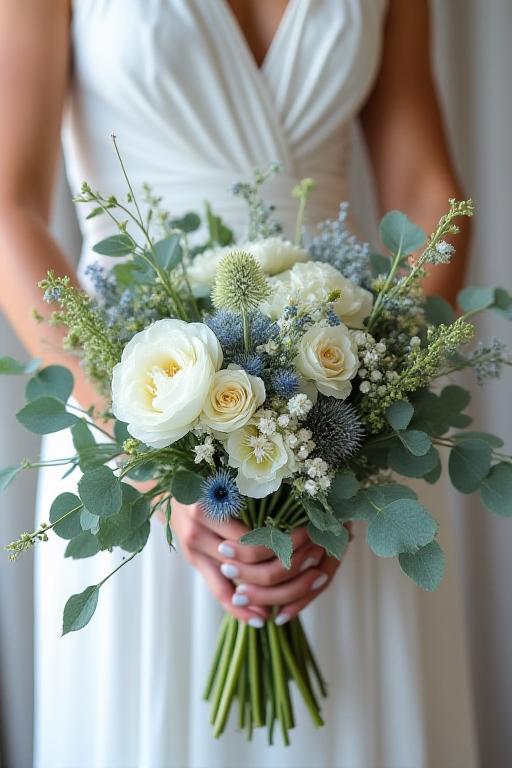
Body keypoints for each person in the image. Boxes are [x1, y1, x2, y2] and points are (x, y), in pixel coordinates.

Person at [0, 1, 477, 766]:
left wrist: (368, 418)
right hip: (130, 418)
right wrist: (146, 458)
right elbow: (8, 204)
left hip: (338, 424)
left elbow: (429, 190)